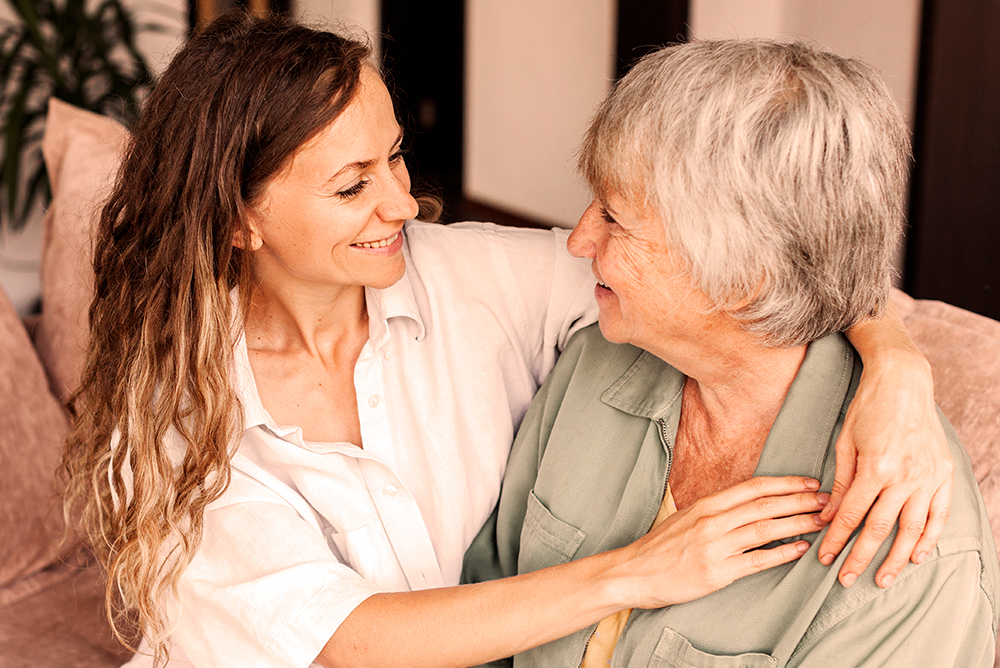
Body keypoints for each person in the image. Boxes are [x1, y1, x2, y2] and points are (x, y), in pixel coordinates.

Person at [62, 13, 952, 668]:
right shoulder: (173, 409)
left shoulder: (472, 278)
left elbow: (756, 271)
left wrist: (896, 367)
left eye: (398, 157)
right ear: (238, 219)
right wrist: (637, 572)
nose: (404, 205)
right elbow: (348, 637)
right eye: (351, 187)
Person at [462, 38, 999, 667]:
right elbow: (490, 596)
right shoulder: (595, 361)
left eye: (614, 217)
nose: (579, 240)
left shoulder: (900, 537)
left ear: (742, 277)